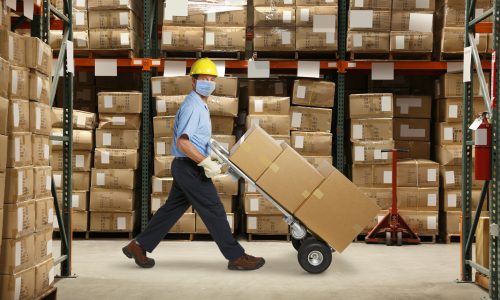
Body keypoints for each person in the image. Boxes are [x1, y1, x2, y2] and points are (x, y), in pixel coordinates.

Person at [122, 58, 265, 271]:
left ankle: (138, 245)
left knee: (171, 210)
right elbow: (183, 141)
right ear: (193, 82)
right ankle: (236, 257)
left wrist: (211, 155)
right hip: (190, 168)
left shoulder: (200, 105)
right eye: (203, 79)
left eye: (211, 79)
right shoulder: (193, 106)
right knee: (214, 209)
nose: (208, 83)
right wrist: (205, 162)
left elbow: (195, 140)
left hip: (186, 167)